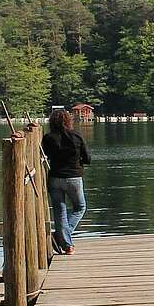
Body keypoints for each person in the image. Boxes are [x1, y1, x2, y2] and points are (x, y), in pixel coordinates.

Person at [42, 109, 89, 254]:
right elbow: (87, 158)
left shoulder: (48, 138)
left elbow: (44, 154)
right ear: (68, 121)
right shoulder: (77, 136)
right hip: (74, 178)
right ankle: (62, 239)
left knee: (59, 210)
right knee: (80, 207)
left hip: (55, 178)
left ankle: (65, 243)